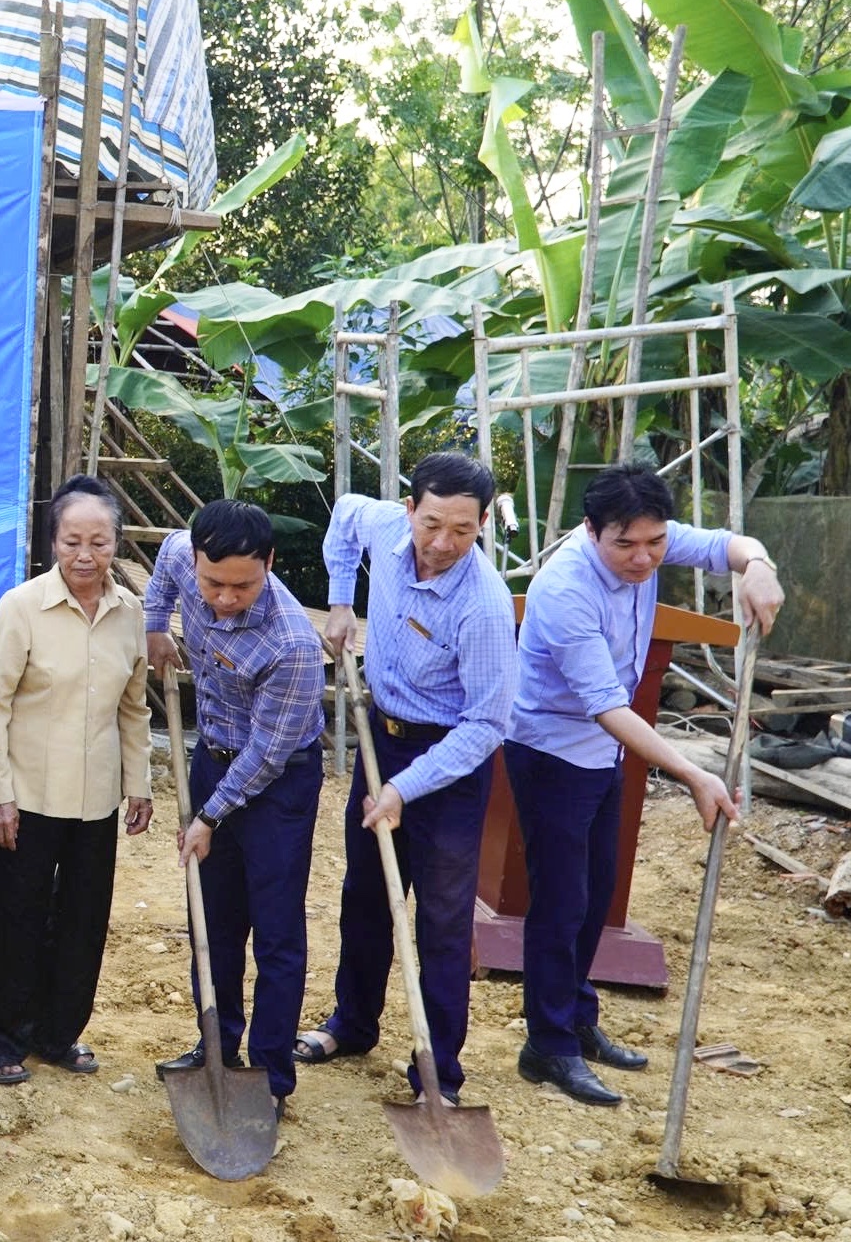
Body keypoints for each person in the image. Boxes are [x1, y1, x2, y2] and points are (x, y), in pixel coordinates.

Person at [508, 462, 782, 1106]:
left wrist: (759, 564)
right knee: (561, 899)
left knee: (597, 889)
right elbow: (606, 702)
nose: (643, 558)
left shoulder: (649, 537)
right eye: (624, 545)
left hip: (604, 751)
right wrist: (690, 772)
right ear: (590, 531)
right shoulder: (563, 589)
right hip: (550, 750)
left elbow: (724, 546)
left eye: (655, 543)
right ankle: (547, 1046)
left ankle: (577, 1017)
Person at [294, 453, 517, 1105]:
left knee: (442, 923)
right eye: (430, 525)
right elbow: (340, 518)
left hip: (447, 763)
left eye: (462, 530)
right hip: (378, 737)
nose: (442, 543)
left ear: (480, 525)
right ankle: (352, 1023)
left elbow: (484, 727)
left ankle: (437, 1072)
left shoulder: (483, 604)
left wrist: (404, 788)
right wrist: (339, 602)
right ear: (409, 509)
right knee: (363, 893)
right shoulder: (380, 527)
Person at [0, 475, 151, 1085]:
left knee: (83, 920)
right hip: (27, 798)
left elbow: (134, 706)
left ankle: (57, 1031)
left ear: (115, 544)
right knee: (14, 916)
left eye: (99, 542)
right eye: (72, 542)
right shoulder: (20, 610)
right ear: (52, 543)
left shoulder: (129, 614)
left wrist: (139, 782)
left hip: (97, 800)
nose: (86, 557)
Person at [143, 500, 325, 1109]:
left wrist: (208, 817)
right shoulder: (179, 556)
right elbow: (165, 575)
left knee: (274, 931)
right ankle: (215, 1045)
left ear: (269, 564)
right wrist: (154, 626)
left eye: (242, 586)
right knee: (212, 918)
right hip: (211, 757)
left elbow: (268, 756)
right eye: (212, 582)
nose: (224, 598)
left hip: (279, 784)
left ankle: (271, 1074)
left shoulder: (292, 643)